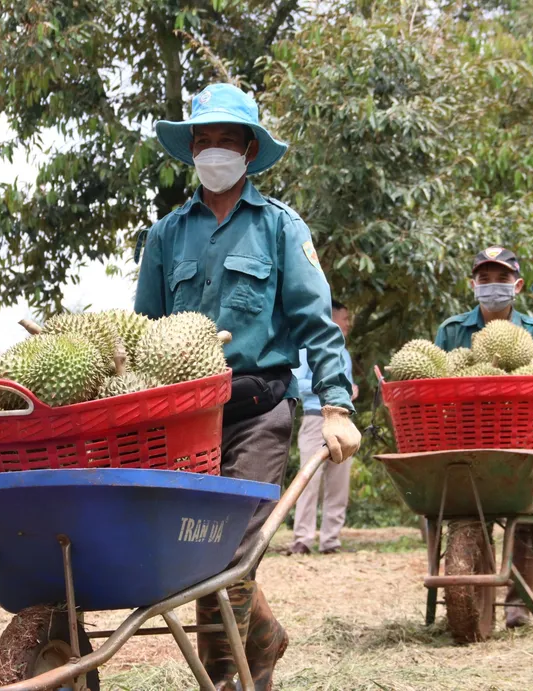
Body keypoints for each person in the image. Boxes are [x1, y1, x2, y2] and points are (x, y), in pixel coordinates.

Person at [134, 83, 362, 691]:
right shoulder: (165, 236)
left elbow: (318, 323)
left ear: (248, 148)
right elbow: (143, 337)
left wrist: (336, 404)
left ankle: (227, 678)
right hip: (183, 420)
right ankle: (263, 639)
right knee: (191, 552)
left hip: (258, 408)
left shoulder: (280, 228)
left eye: (224, 141)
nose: (212, 152)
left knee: (229, 551)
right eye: (201, 141)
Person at [435, 246, 533, 629]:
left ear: (516, 285)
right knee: (465, 510)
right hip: (466, 436)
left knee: (524, 516)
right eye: (484, 279)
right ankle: (471, 586)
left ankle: (518, 601)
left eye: (501, 278)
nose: (492, 286)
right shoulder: (452, 330)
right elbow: (432, 385)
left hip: (521, 436)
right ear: (473, 284)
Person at [290, 300, 359, 556]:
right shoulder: (310, 349)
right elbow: (297, 383)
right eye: (345, 318)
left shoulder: (345, 353)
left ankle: (331, 540)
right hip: (314, 418)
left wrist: (350, 391)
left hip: (343, 420)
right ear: (331, 319)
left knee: (339, 484)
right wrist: (331, 389)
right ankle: (302, 540)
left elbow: (347, 386)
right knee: (309, 480)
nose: (348, 324)